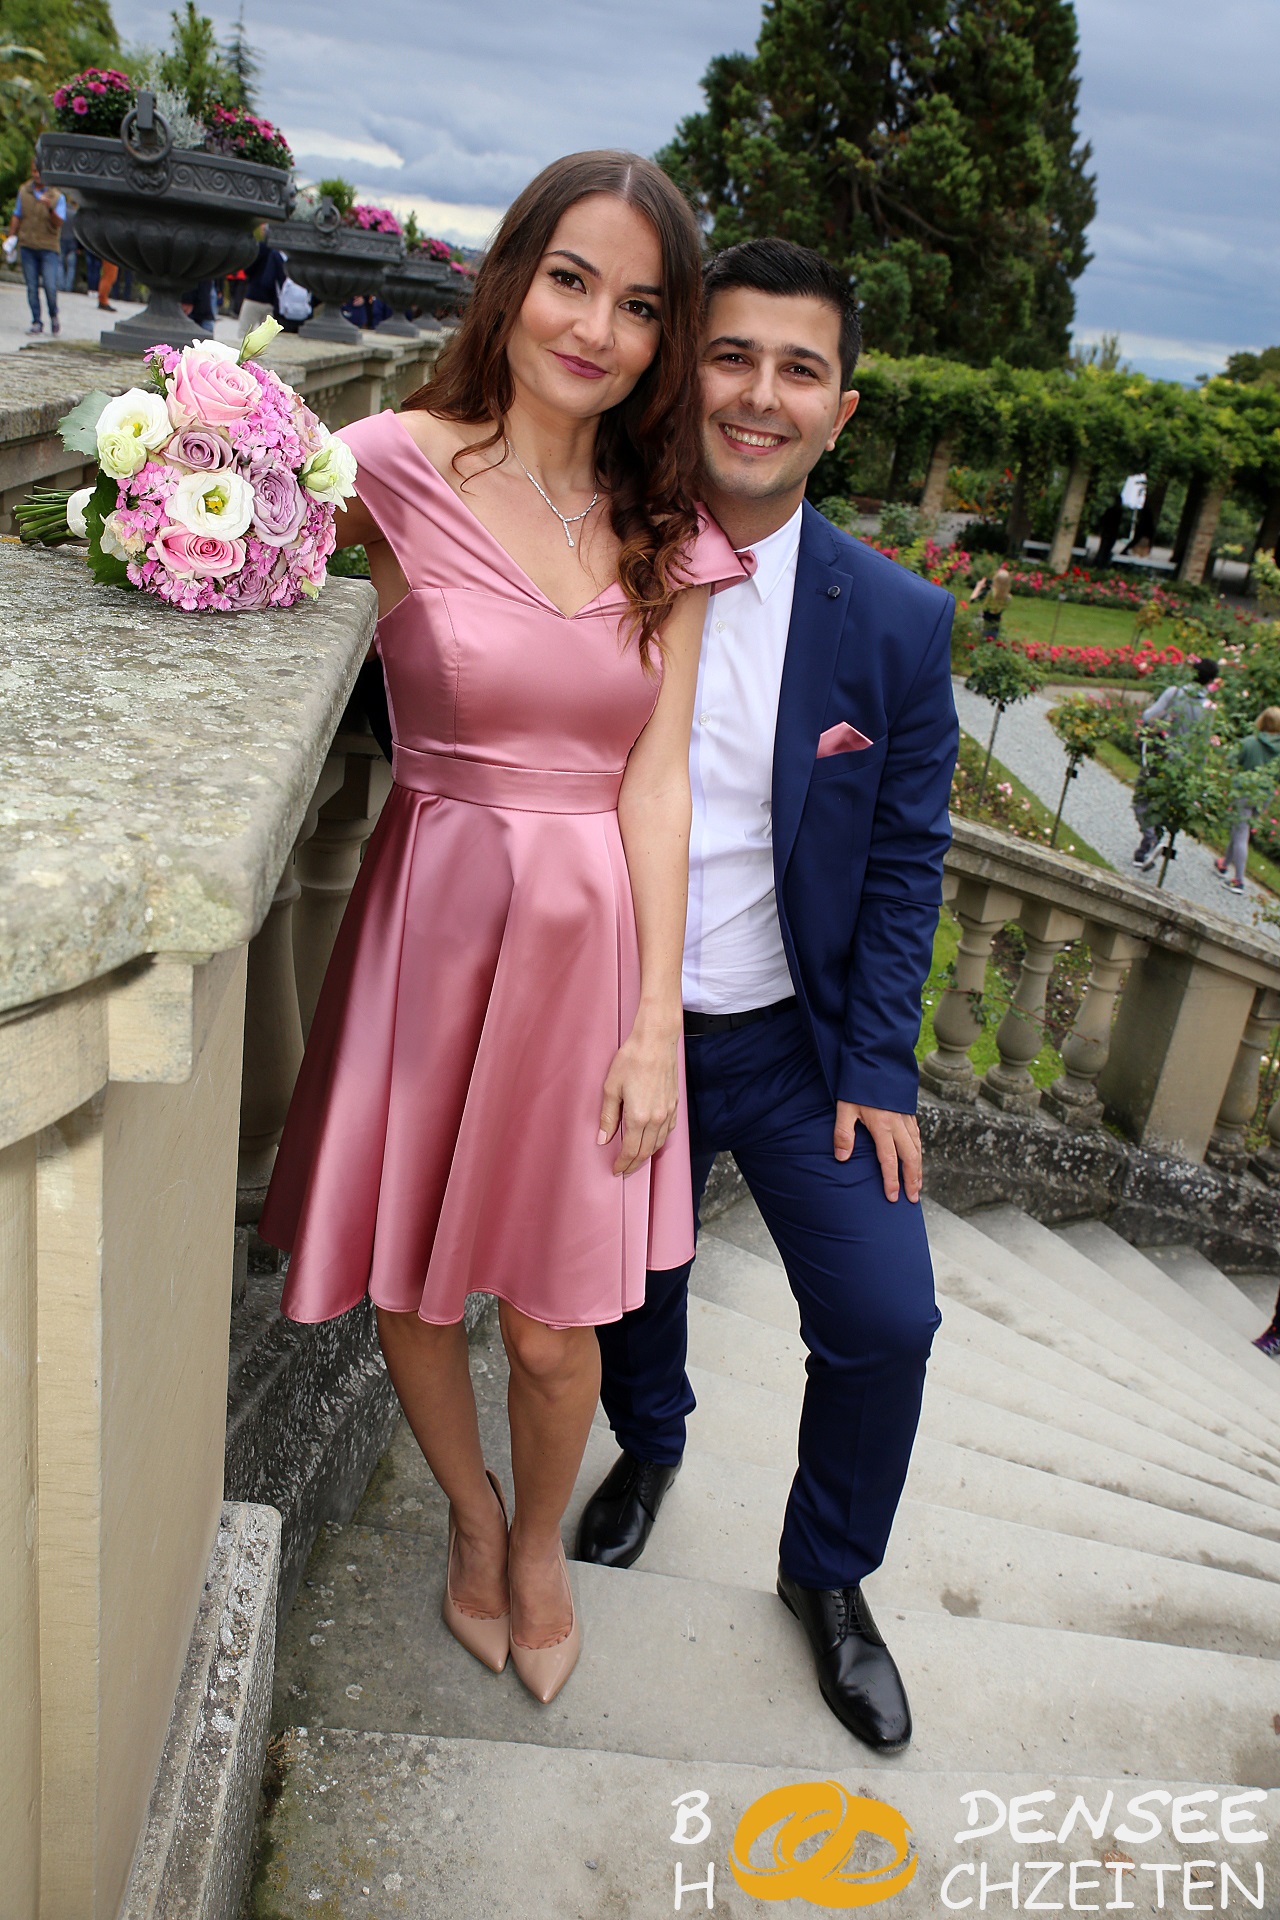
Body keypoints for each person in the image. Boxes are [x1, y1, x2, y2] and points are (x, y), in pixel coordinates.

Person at [259, 151, 744, 1707]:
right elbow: (234, 569)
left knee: (551, 1330)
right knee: (416, 1280)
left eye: (641, 304)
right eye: (571, 279)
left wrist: (655, 1019)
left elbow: (658, 784)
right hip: (433, 922)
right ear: (512, 276)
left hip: (591, 953)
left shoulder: (669, 527)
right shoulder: (385, 465)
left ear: (665, 341)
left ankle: (542, 1539)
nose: (597, 326)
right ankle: (470, 1524)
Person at [575, 237, 959, 1753]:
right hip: (629, 1024)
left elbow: (907, 859)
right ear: (690, 371)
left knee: (888, 1316)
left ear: (840, 411)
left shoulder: (898, 625)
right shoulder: (595, 555)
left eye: (799, 369)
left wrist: (882, 1068)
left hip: (805, 1053)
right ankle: (649, 1450)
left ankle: (830, 1577)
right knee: (633, 1286)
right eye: (731, 356)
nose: (759, 395)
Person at [1132, 657, 1219, 870]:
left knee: (1141, 798)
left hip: (1162, 755)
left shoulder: (1174, 693)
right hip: (1184, 764)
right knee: (1165, 802)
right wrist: (1198, 773)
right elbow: (1202, 744)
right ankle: (1147, 846)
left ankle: (1150, 838)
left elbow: (1148, 716)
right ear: (1210, 682)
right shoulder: (1209, 707)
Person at [1214, 706, 1280, 894]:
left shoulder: (1250, 742)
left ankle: (1239, 880)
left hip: (1244, 791)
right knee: (1241, 829)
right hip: (1263, 796)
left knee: (1241, 833)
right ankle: (1224, 863)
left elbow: (1230, 761)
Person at [8, 156, 66, 335]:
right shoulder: (24, 191)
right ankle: (36, 321)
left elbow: (59, 222)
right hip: (28, 245)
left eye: (40, 172)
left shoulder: (57, 196)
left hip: (49, 248)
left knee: (49, 285)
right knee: (31, 287)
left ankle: (53, 315)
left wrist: (50, 208)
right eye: (34, 171)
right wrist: (11, 237)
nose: (37, 175)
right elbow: (17, 214)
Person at [238, 233, 287, 337]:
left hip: (253, 296)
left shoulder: (261, 248)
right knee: (265, 338)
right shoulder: (282, 252)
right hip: (272, 300)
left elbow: (248, 269)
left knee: (244, 333)